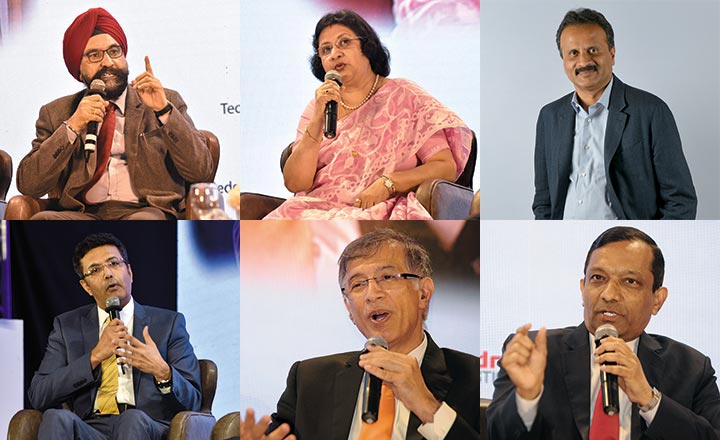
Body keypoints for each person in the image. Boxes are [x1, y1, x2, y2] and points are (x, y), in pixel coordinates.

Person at [486, 226, 720, 439]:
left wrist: (650, 400)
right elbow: (496, 434)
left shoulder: (692, 369)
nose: (609, 294)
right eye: (598, 278)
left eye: (630, 281)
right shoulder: (534, 352)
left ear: (657, 300)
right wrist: (526, 397)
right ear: (583, 289)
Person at [244, 229, 480, 439]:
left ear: (423, 294)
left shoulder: (473, 377)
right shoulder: (309, 379)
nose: (372, 294)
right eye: (358, 285)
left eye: (387, 277)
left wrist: (427, 406)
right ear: (349, 308)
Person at [264, 9, 473, 220]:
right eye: (326, 49)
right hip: (314, 210)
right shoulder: (317, 107)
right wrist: (318, 119)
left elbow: (444, 166)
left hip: (378, 210)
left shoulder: (405, 95)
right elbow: (296, 183)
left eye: (344, 42)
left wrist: (390, 183)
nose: (334, 54)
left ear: (367, 46)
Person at [16, 7, 214, 220]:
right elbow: (29, 185)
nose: (108, 62)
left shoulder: (163, 100)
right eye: (94, 55)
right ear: (79, 70)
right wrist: (73, 126)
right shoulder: (57, 112)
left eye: (114, 51)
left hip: (145, 210)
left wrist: (164, 111)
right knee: (42, 221)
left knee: (143, 222)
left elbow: (201, 171)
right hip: (82, 214)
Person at [28, 233, 202, 439]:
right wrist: (94, 357)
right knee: (56, 418)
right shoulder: (67, 327)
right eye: (95, 270)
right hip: (90, 429)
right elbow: (39, 395)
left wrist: (162, 371)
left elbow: (194, 401)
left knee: (131, 419)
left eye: (114, 263)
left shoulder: (168, 324)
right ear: (86, 286)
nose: (108, 274)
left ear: (130, 272)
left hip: (146, 426)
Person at [532, 8, 697, 220]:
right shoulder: (550, 117)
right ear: (563, 60)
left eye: (593, 50)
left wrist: (643, 239)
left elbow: (680, 201)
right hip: (564, 237)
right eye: (573, 53)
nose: (584, 61)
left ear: (612, 54)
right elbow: (544, 201)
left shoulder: (651, 111)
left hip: (626, 237)